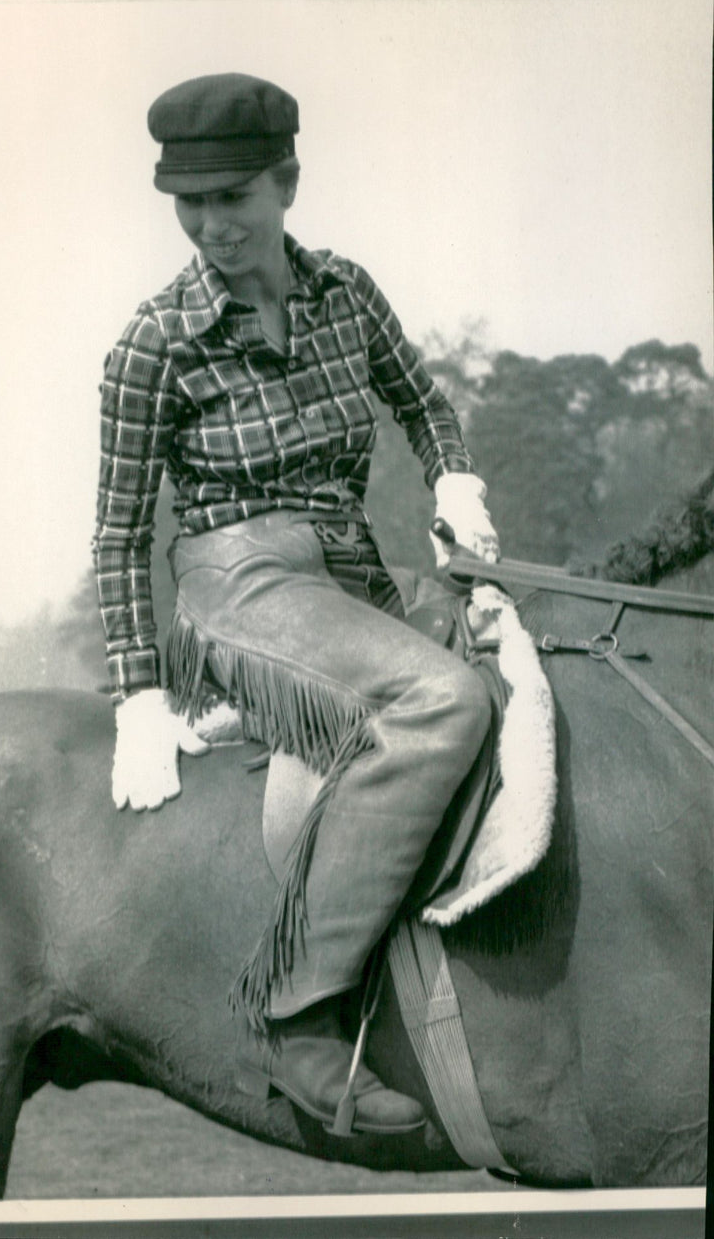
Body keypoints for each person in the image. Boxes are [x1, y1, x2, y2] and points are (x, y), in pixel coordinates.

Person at [92, 73, 500, 1136]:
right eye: (189, 203)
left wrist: (452, 478)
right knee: (439, 704)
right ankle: (299, 1014)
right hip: (237, 586)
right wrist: (135, 688)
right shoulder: (153, 343)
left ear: (288, 182)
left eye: (232, 196)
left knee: (508, 651)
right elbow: (118, 530)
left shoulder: (346, 293)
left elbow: (422, 400)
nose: (211, 225)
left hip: (346, 571)